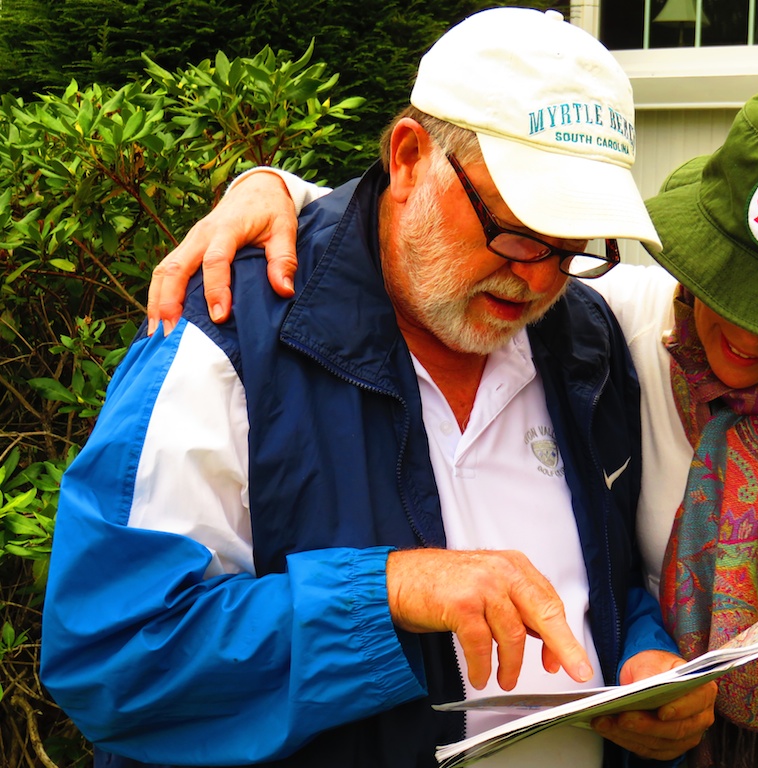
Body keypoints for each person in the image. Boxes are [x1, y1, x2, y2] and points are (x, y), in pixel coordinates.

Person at [150, 79, 758, 768]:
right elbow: (423, 220)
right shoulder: (631, 324)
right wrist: (268, 190)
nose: (746, 336)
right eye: (728, 292)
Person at [40, 8, 718, 768]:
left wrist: (644, 659)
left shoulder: (585, 334)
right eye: (520, 228)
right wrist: (389, 590)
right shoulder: (232, 332)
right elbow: (113, 657)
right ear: (407, 158)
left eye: (573, 246)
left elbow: (603, 576)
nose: (538, 276)